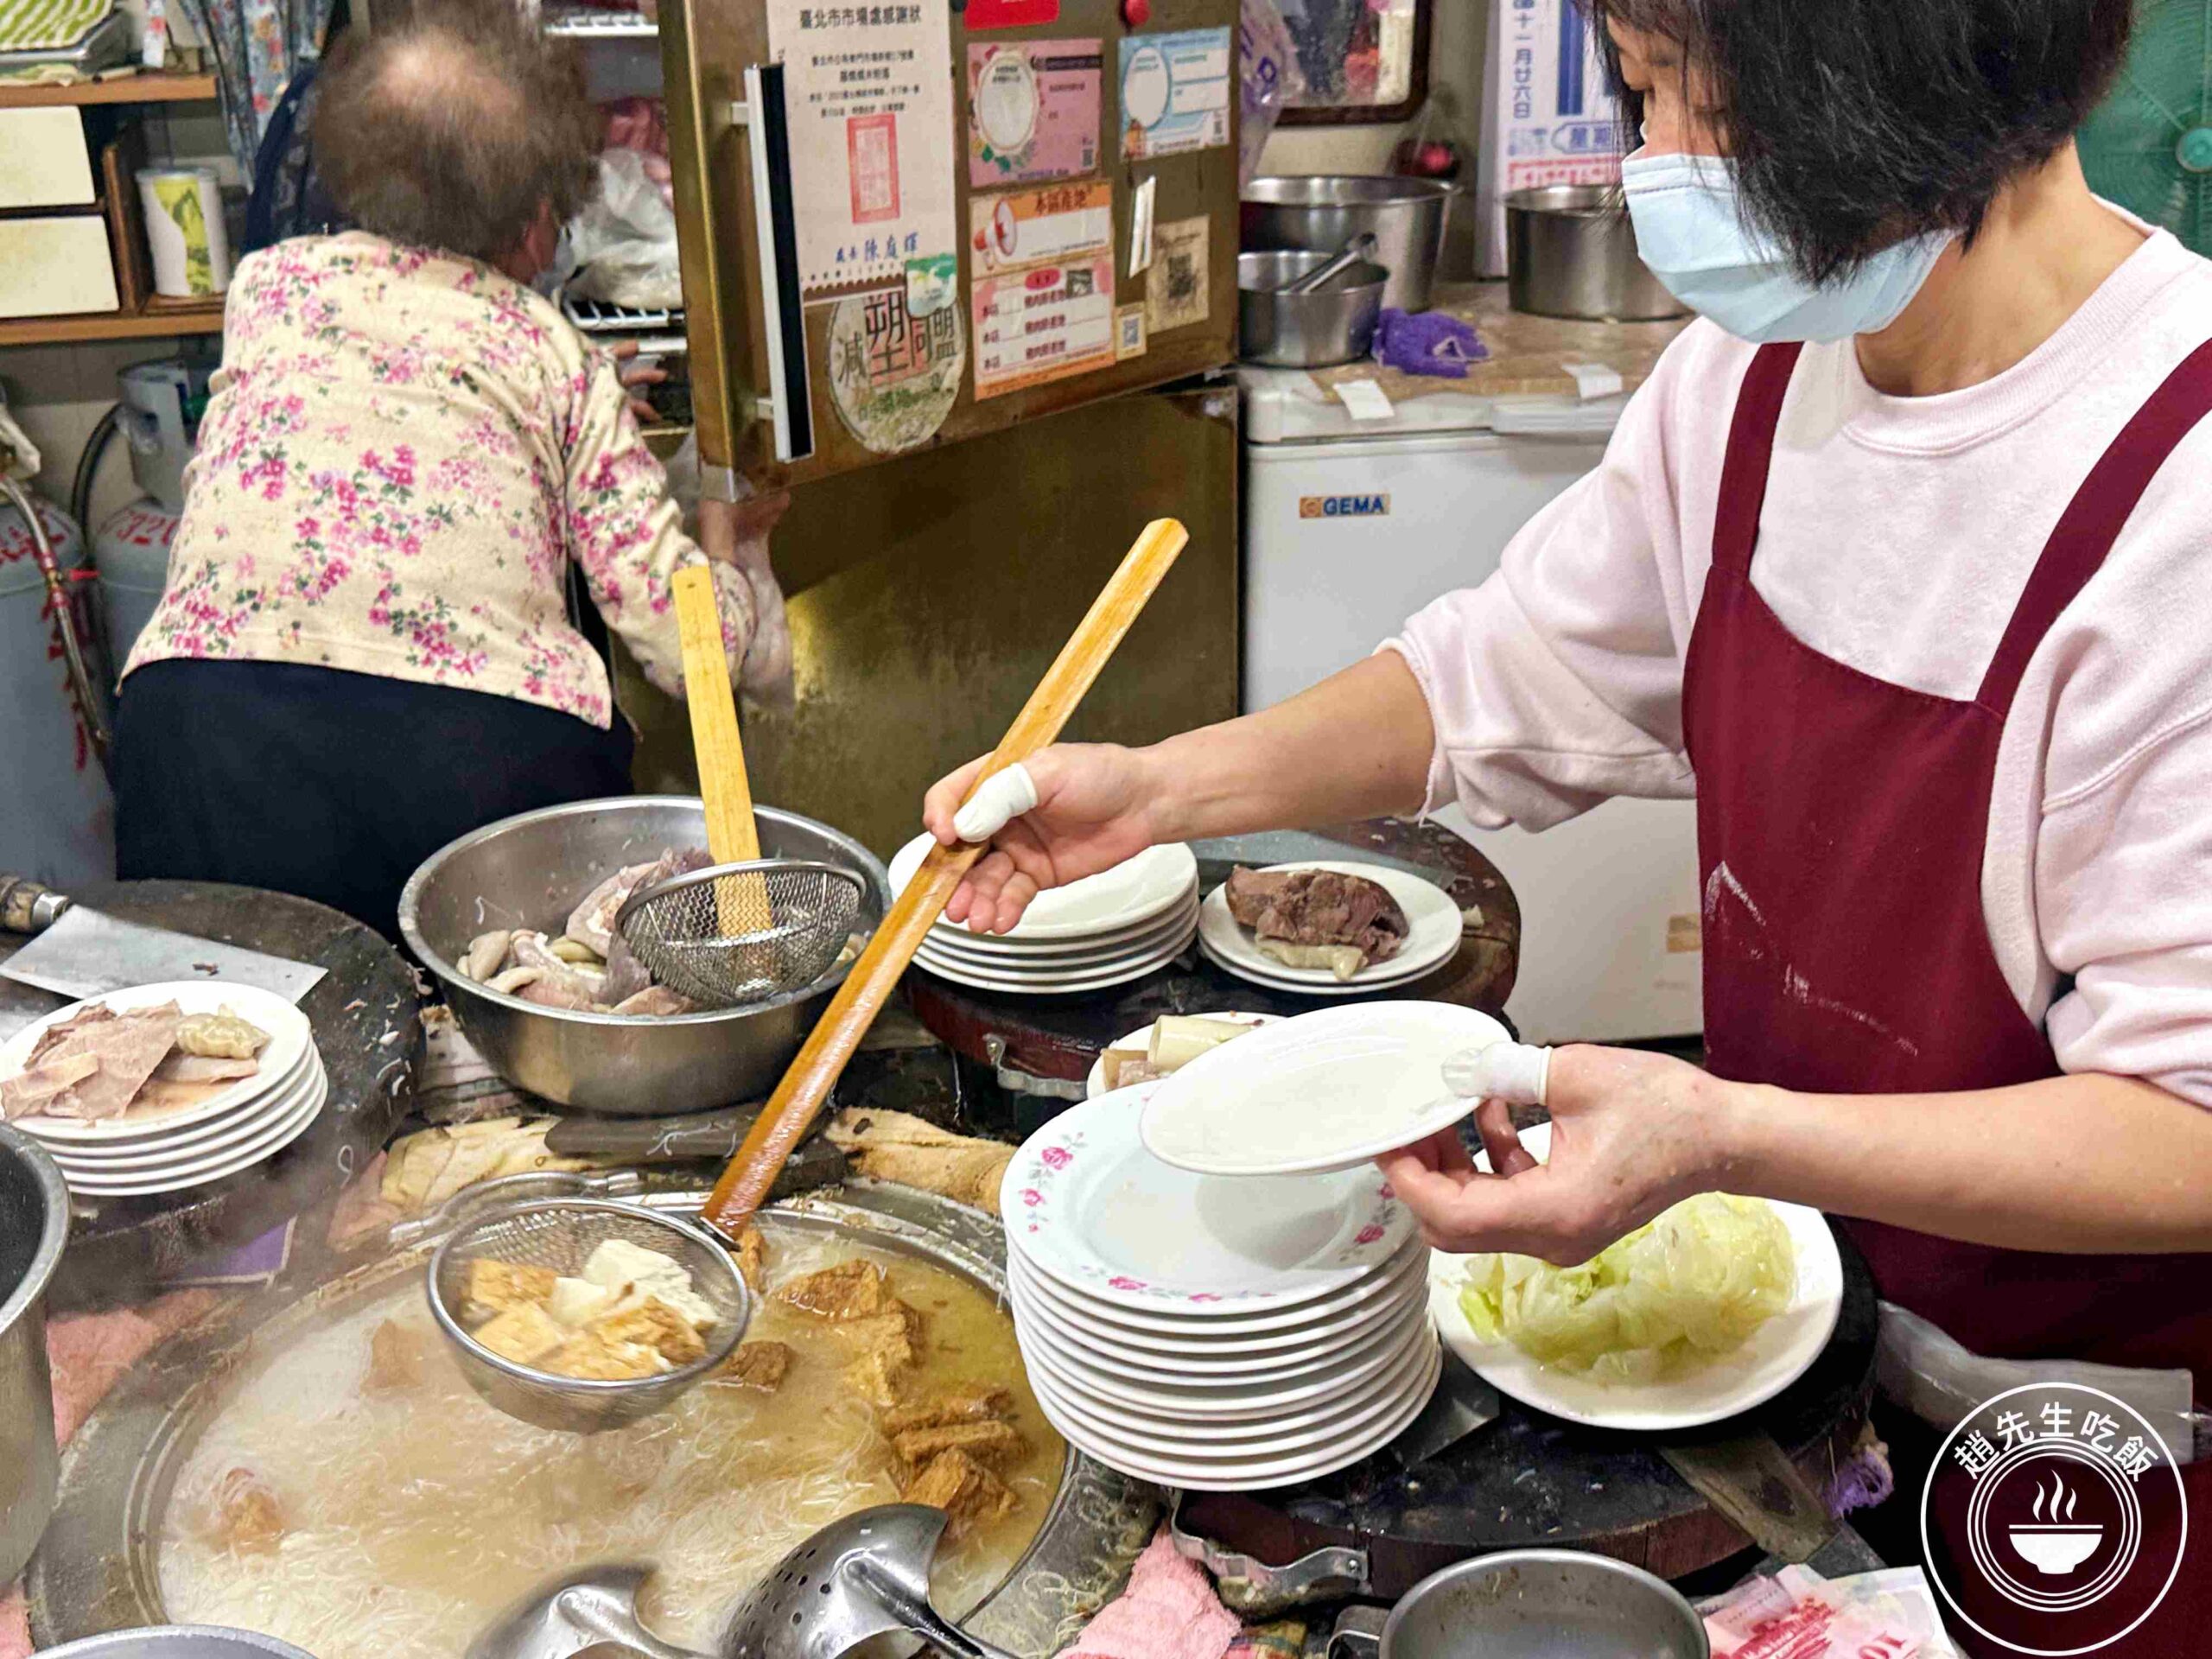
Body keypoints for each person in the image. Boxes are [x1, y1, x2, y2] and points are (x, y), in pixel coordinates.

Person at [929, 0, 2212, 1623]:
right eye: (1636, 87)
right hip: (1792, 1347)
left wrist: (1726, 1135)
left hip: (2086, 1437)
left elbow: (2186, 1125)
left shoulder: (2177, 496)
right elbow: (1511, 670)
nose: (1644, 162)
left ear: (1891, 87)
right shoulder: (1750, 378)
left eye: (1678, 96)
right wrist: (1163, 792)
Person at [113, 0, 783, 938]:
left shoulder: (268, 291)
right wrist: (731, 547)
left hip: (199, 738)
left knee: (247, 1012)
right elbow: (685, 648)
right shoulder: (552, 355)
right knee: (484, 1017)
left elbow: (395, 392)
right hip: (472, 763)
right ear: (540, 216)